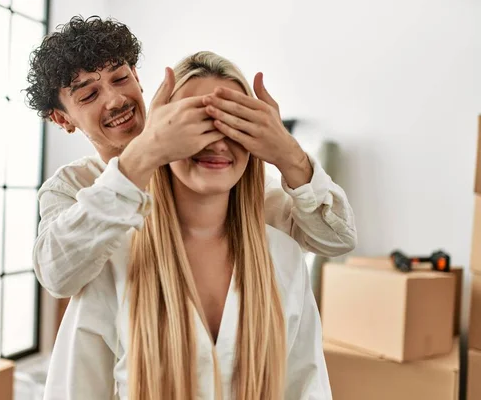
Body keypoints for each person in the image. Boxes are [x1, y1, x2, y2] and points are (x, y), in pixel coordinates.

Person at [43, 51, 331, 400]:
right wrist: (142, 156)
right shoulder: (108, 256)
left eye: (233, 122)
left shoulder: (284, 256)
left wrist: (288, 153)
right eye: (198, 123)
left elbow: (307, 387)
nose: (217, 140)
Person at [25, 15, 357, 299]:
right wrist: (142, 159)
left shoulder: (211, 172)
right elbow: (58, 276)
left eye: (121, 78)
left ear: (138, 78)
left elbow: (336, 240)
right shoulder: (70, 188)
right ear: (61, 118)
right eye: (89, 94)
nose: (115, 100)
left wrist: (289, 155)